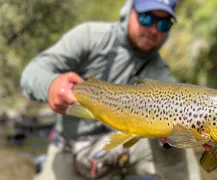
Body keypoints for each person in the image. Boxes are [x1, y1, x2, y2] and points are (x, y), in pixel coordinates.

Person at [20, 0, 205, 179]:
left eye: (164, 24)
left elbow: (174, 127)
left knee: (180, 151)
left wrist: (174, 138)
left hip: (122, 149)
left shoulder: (159, 72)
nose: (154, 29)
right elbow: (32, 73)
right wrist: (51, 85)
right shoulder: (91, 36)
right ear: (129, 11)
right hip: (70, 150)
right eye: (146, 18)